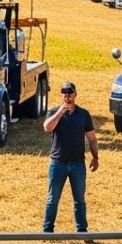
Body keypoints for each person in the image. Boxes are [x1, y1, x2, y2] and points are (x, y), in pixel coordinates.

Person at [42, 81, 99, 233]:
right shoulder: (54, 112)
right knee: (52, 199)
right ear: (61, 95)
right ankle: (47, 230)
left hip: (77, 164)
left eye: (70, 92)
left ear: (75, 94)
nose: (67, 95)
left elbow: (91, 137)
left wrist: (95, 157)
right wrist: (60, 112)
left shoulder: (83, 114)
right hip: (57, 163)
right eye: (64, 92)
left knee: (79, 200)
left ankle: (82, 231)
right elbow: (47, 128)